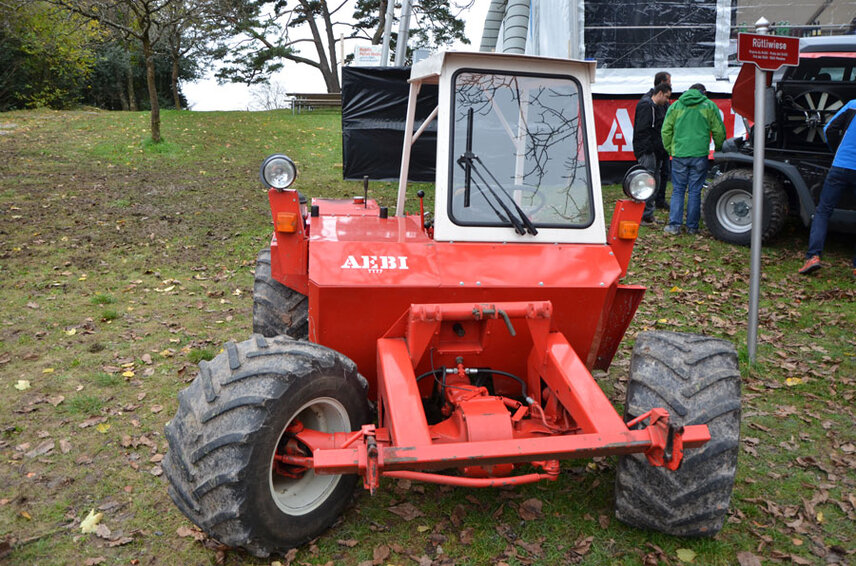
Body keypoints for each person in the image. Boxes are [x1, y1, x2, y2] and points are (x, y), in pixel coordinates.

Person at [798, 98, 856, 277]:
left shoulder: (853, 104)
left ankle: (813, 257)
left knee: (823, 211)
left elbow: (828, 128)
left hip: (840, 165)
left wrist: (836, 150)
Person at [661, 83, 725, 235]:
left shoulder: (676, 106)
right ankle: (692, 227)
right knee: (695, 191)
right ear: (704, 92)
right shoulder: (709, 106)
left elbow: (666, 131)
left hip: (679, 154)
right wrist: (719, 149)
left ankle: (674, 226)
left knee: (678, 190)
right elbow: (719, 131)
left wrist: (671, 149)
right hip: (699, 154)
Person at [633, 81, 673, 225]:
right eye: (666, 97)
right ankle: (641, 214)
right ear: (660, 93)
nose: (667, 100)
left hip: (655, 151)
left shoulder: (657, 107)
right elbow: (643, 130)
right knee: (646, 181)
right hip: (648, 151)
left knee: (653, 181)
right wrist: (649, 149)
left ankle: (648, 214)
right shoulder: (646, 106)